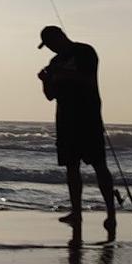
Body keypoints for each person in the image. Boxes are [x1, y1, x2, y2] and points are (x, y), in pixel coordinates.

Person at [37, 26, 116, 241]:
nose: (51, 48)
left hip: (88, 117)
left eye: (51, 43)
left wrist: (61, 73)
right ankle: (77, 213)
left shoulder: (85, 52)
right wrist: (45, 81)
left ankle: (111, 213)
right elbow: (50, 96)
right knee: (71, 167)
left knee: (99, 165)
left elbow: (88, 79)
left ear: (60, 37)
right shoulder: (54, 63)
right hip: (65, 120)